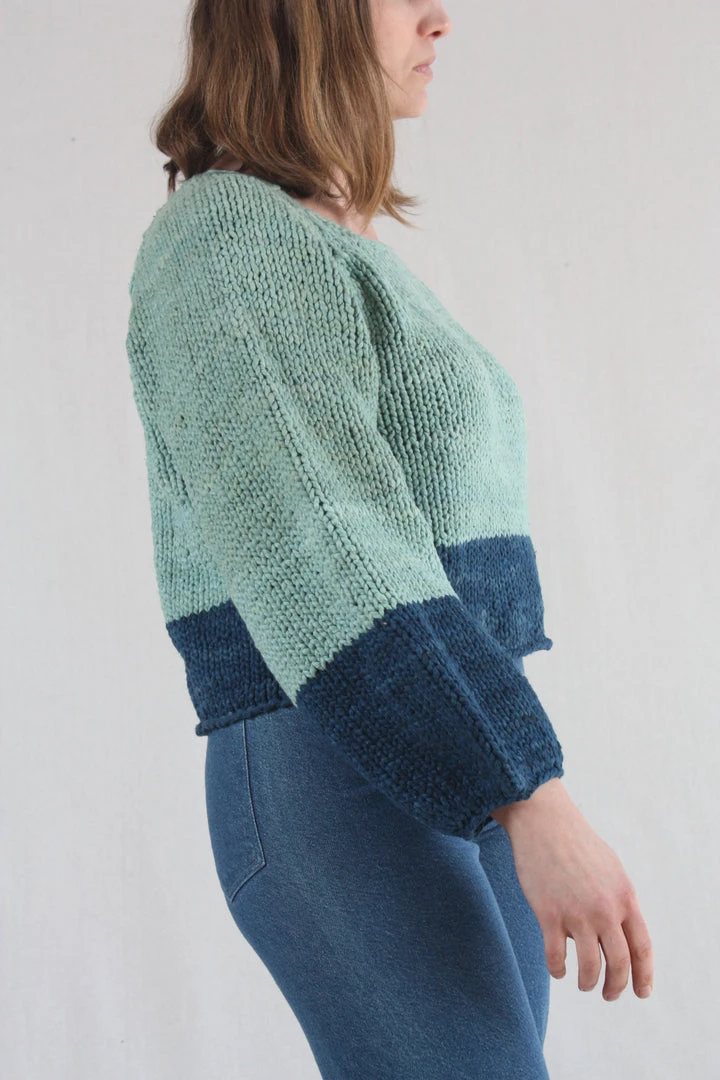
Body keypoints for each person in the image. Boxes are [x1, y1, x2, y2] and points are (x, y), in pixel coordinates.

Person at [126, 2, 654, 1076]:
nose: (438, 17)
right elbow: (332, 549)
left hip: (452, 746)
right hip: (333, 762)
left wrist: (511, 783)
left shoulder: (324, 242)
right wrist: (531, 793)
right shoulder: (227, 240)